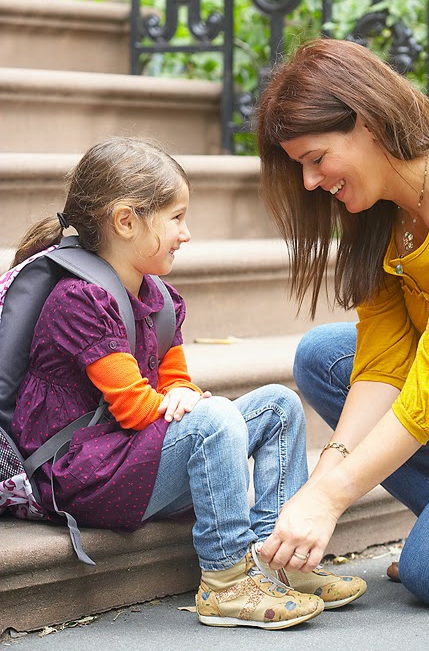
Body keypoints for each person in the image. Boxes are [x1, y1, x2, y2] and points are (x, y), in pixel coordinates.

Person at [10, 137, 366, 629]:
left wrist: (187, 395)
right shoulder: (80, 302)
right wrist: (193, 405)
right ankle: (225, 582)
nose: (187, 233)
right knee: (213, 419)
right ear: (126, 221)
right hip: (80, 475)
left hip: (129, 457)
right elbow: (136, 409)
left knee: (278, 405)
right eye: (176, 218)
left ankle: (278, 560)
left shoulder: (158, 297)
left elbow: (175, 380)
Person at [255, 38, 429, 609]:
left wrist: (330, 499)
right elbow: (383, 364)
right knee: (325, 356)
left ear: (369, 124)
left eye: (316, 158)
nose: (310, 183)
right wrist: (327, 472)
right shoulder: (381, 214)